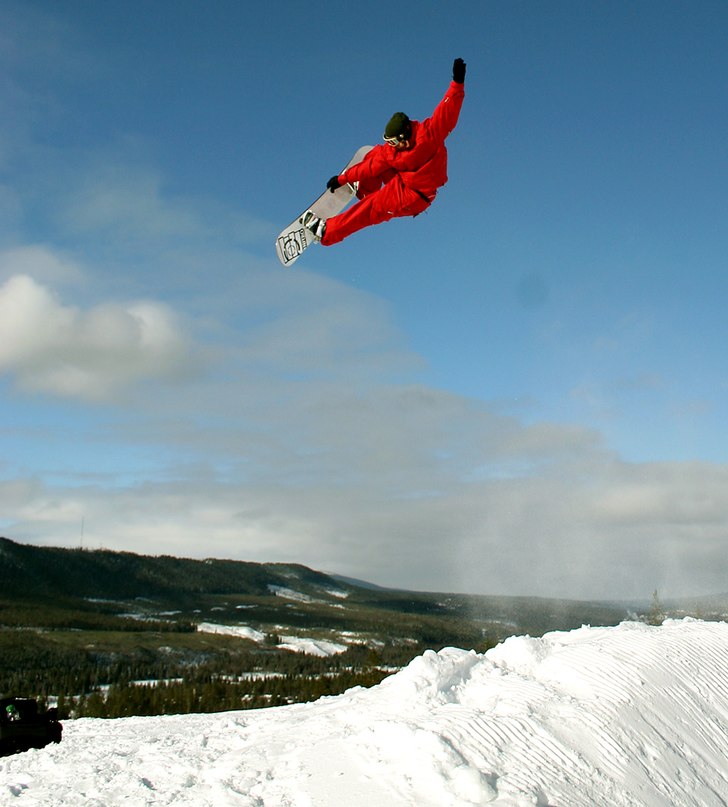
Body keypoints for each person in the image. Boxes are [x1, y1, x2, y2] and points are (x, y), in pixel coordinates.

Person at [301, 57, 466, 246]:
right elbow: (371, 167)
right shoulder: (392, 151)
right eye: (389, 141)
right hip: (403, 179)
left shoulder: (429, 136)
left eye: (394, 141)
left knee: (371, 208)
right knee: (374, 155)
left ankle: (327, 233)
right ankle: (365, 190)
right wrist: (342, 179)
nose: (392, 145)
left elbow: (447, 110)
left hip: (415, 196)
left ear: (405, 135)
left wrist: (457, 83)